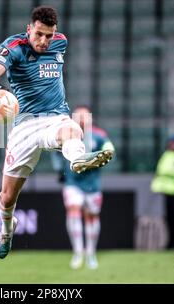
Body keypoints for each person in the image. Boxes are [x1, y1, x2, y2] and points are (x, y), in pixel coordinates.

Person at [0, 6, 114, 259]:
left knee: (72, 129)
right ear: (29, 29)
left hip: (55, 117)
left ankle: (77, 159)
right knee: (8, 197)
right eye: (39, 34)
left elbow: (54, 46)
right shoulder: (14, 46)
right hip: (25, 125)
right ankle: (7, 230)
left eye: (49, 35)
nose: (44, 41)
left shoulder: (61, 43)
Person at [53, 105, 114, 270]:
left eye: (84, 115)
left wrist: (106, 154)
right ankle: (78, 252)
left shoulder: (99, 135)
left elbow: (109, 149)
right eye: (78, 115)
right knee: (73, 210)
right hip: (73, 182)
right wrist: (59, 169)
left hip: (93, 184)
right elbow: (55, 151)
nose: (81, 118)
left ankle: (91, 253)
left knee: (92, 216)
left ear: (90, 118)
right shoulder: (67, 133)